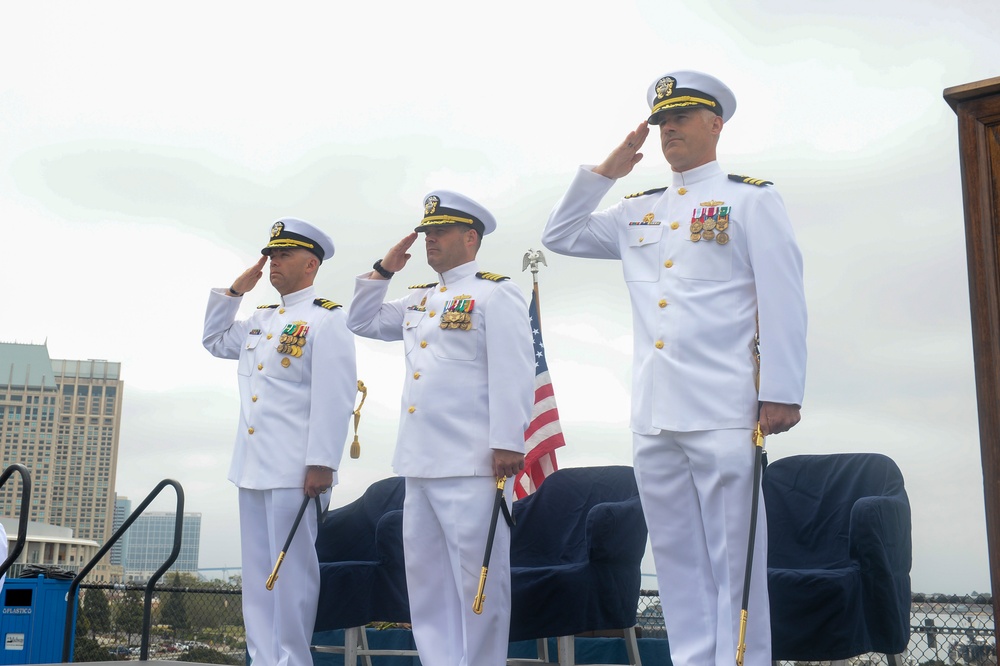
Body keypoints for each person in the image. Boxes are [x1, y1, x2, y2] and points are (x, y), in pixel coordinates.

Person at [542, 70, 807, 666]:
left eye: (682, 117)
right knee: (677, 560)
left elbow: (784, 297)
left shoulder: (751, 199)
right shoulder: (639, 209)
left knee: (734, 561)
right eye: (662, 120)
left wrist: (782, 391)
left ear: (716, 124)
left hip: (724, 407)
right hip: (654, 413)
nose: (669, 129)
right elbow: (560, 235)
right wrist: (606, 172)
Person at [347, 191, 535, 666]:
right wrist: (383, 270)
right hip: (419, 461)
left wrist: (508, 442)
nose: (430, 239)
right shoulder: (419, 300)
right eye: (427, 232)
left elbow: (515, 369)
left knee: (480, 582)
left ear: (470, 238)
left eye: (440, 231)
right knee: (427, 584)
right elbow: (361, 321)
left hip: (474, 462)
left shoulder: (496, 293)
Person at [203, 218, 357, 666]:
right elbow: (213, 340)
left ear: (311, 264)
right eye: (270, 254)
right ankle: (264, 658)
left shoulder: (327, 320)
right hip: (251, 467)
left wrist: (322, 463)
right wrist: (234, 292)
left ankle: (292, 660)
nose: (272, 262)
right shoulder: (260, 319)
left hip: (296, 471)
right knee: (257, 577)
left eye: (283, 254)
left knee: (291, 574)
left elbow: (335, 396)